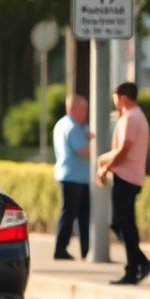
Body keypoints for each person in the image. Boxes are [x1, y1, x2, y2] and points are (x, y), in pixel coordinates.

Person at [97, 82, 150, 284]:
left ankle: (139, 262)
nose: (114, 100)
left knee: (118, 222)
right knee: (127, 223)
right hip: (132, 176)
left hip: (127, 177)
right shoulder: (135, 116)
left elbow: (123, 150)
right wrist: (104, 162)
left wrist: (105, 166)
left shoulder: (131, 118)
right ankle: (134, 267)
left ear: (122, 97)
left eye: (115, 96)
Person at [52, 94, 92, 260]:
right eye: (83, 108)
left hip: (74, 176)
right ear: (73, 109)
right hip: (74, 177)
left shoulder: (63, 124)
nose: (86, 111)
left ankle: (85, 249)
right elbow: (83, 152)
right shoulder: (73, 127)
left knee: (79, 214)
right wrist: (96, 143)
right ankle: (62, 248)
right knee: (72, 214)